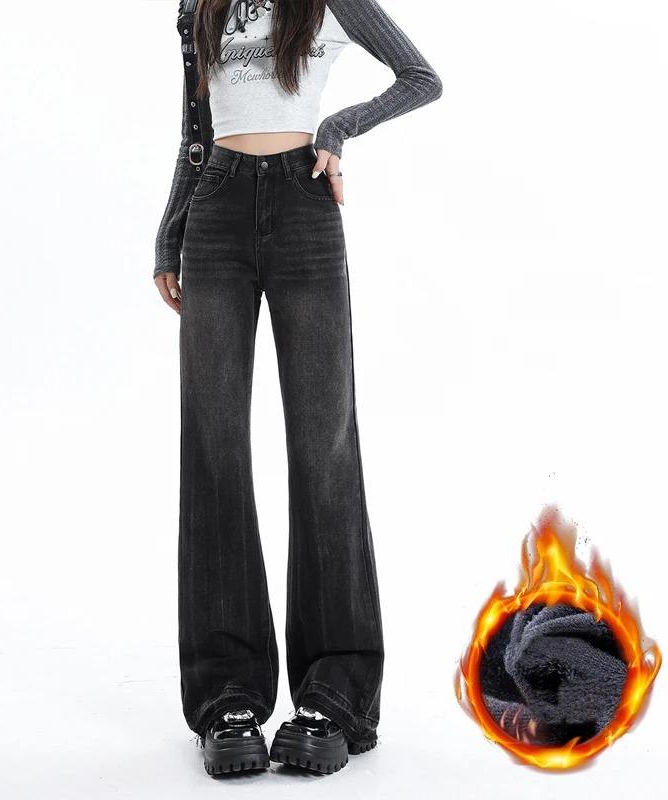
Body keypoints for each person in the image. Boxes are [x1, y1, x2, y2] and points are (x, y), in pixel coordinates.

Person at [153, 0, 442, 776]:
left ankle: (335, 696)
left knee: (324, 447)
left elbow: (420, 77)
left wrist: (337, 129)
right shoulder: (199, 5)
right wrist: (170, 233)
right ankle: (227, 697)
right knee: (213, 447)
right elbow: (194, 130)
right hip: (214, 208)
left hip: (304, 207)